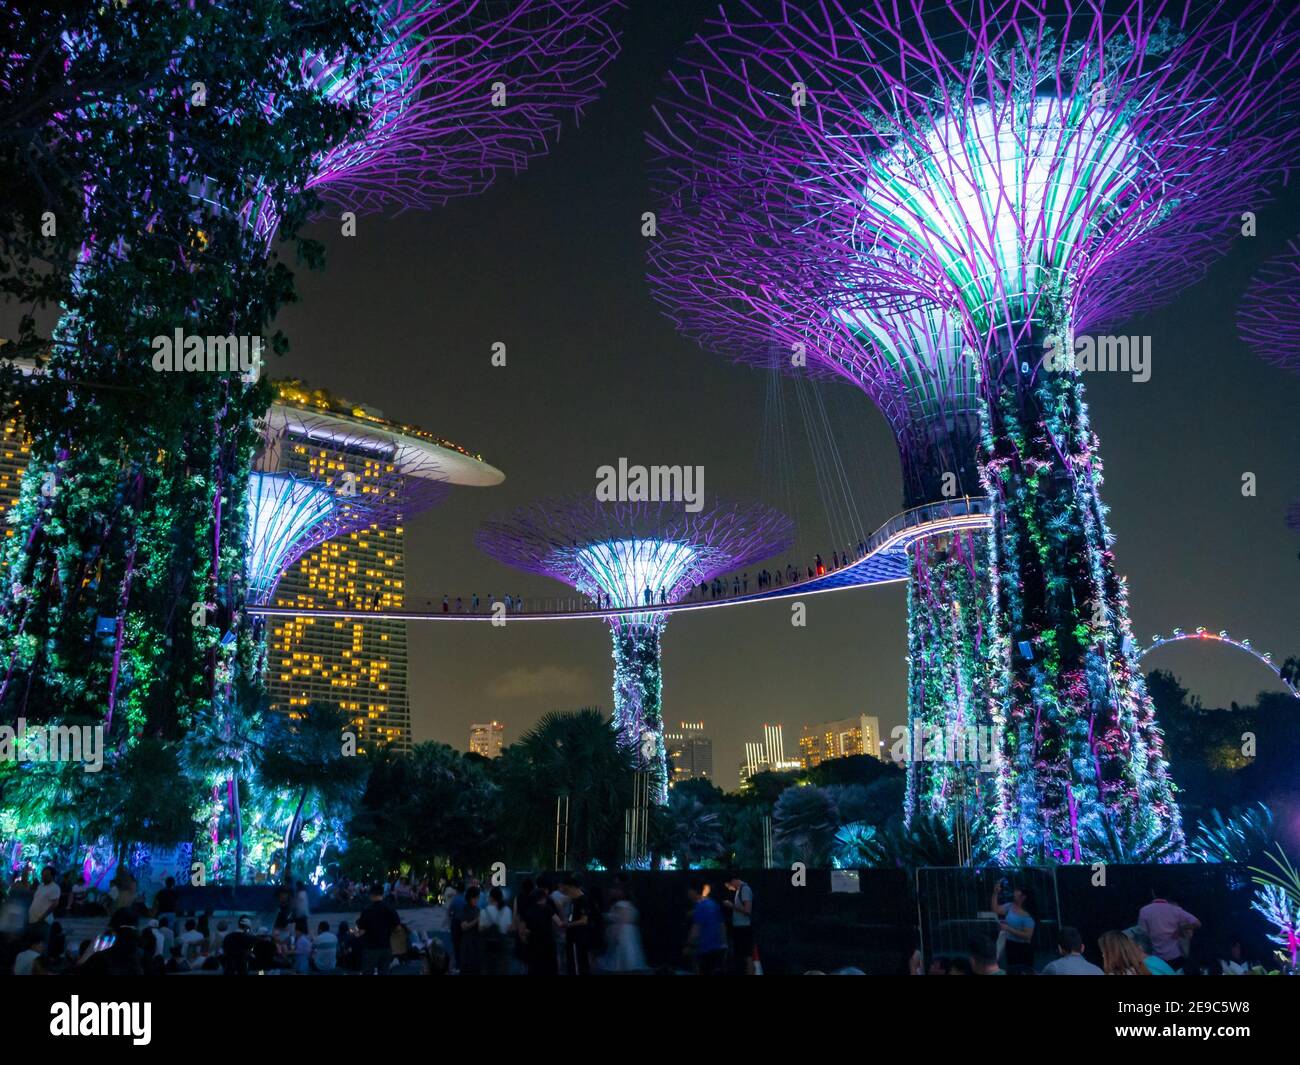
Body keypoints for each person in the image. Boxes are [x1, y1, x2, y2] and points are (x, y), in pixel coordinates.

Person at [1138, 893, 1200, 971]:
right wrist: (1180, 930)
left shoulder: (1144, 911)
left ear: (1153, 893)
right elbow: (1197, 923)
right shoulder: (1175, 909)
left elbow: (1143, 933)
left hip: (1158, 959)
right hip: (1177, 957)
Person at [356, 882, 399, 974]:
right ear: (382, 894)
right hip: (386, 947)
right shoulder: (389, 909)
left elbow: (362, 931)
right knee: (384, 972)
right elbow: (397, 928)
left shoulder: (367, 910)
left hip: (370, 948)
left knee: (368, 972)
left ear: (371, 895)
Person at [991, 880, 1035, 970]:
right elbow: (995, 909)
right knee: (1012, 969)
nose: (1014, 893)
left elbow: (1027, 935)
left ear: (1023, 897)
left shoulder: (1028, 914)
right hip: (1010, 944)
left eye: (1017, 891)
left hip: (1022, 947)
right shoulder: (1010, 906)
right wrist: (995, 894)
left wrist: (1008, 928)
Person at [686, 881, 726, 975]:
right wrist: (724, 945)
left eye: (689, 891)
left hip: (705, 951)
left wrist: (689, 945)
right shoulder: (714, 904)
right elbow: (722, 926)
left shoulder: (699, 907)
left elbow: (695, 931)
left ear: (693, 891)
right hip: (718, 949)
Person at [562, 876, 595, 976]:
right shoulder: (574, 901)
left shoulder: (582, 900)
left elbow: (584, 920)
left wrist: (569, 924)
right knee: (574, 960)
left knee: (578, 962)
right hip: (573, 936)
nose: (566, 893)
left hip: (577, 937)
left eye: (567, 890)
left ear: (572, 887)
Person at [723, 872, 755, 975]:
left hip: (744, 928)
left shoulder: (745, 890)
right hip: (739, 928)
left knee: (747, 956)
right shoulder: (739, 890)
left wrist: (731, 905)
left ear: (733, 881)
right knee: (743, 956)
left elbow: (747, 910)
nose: (729, 888)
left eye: (729, 885)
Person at [480, 886, 512, 976]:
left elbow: (481, 929)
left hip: (488, 944)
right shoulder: (507, 910)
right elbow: (509, 928)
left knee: (488, 968)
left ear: (491, 898)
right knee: (502, 968)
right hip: (502, 943)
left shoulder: (484, 911)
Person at [27, 865, 60, 935]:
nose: (43, 876)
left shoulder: (55, 887)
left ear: (52, 876)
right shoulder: (40, 886)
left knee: (40, 944)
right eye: (43, 874)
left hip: (43, 921)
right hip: (32, 920)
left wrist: (43, 916)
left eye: (46, 875)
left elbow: (55, 904)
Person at [458, 886, 483, 975]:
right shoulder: (465, 909)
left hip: (476, 943)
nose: (476, 900)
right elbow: (464, 926)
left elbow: (480, 927)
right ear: (470, 897)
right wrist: (477, 920)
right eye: (474, 898)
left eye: (477, 898)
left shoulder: (477, 909)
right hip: (467, 944)